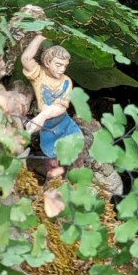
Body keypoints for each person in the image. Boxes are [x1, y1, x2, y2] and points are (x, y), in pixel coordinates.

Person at [21, 34, 82, 178]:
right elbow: (26, 59)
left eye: (65, 66)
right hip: (48, 128)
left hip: (64, 123)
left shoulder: (66, 81)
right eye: (58, 65)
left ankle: (81, 183)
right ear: (48, 62)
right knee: (52, 161)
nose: (62, 69)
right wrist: (40, 36)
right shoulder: (39, 74)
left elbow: (61, 107)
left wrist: (42, 116)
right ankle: (53, 187)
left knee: (77, 154)